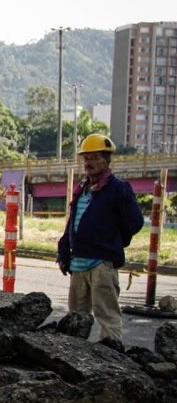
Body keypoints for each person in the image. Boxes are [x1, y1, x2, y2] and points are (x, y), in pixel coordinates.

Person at [57, 134, 144, 350]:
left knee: (108, 317)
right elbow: (72, 226)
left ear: (106, 160)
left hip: (101, 265)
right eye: (86, 158)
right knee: (76, 319)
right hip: (78, 265)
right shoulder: (82, 189)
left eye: (94, 158)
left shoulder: (118, 189)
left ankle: (113, 363)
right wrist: (64, 252)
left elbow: (134, 222)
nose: (88, 163)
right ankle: (74, 361)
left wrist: (112, 243)